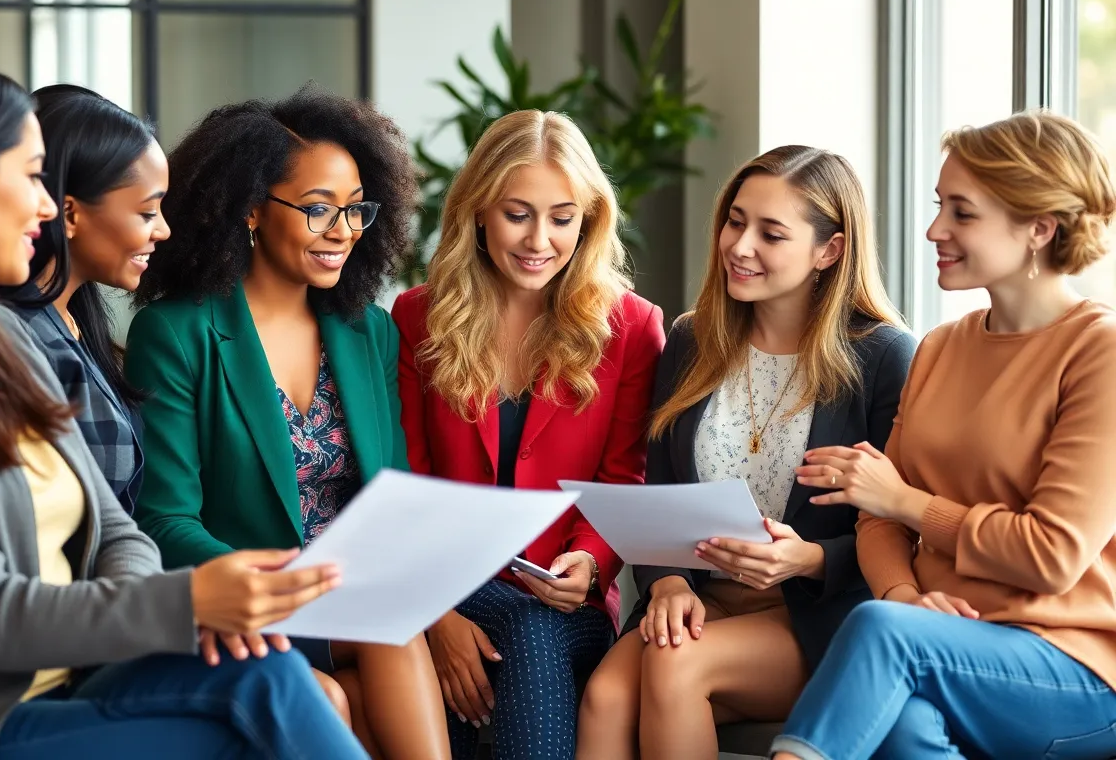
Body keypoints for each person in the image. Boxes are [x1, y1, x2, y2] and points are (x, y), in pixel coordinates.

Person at [0, 53, 367, 760]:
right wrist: (186, 603)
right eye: (31, 175)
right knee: (250, 730)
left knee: (266, 674)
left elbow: (117, 528)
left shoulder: (2, 335)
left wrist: (161, 614)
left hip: (74, 674)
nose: (47, 205)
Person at [772, 112, 1116, 760]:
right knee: (901, 723)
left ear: (1038, 228)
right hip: (936, 648)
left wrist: (907, 503)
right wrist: (904, 596)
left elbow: (1053, 554)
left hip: (1073, 666)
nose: (935, 230)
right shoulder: (939, 347)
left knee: (879, 632)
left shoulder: (1099, 353)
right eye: (939, 207)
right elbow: (875, 520)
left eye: (962, 213)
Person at [126, 86, 450, 760]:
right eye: (317, 209)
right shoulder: (177, 333)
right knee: (359, 670)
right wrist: (288, 578)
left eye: (356, 209)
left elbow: (392, 495)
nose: (343, 230)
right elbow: (165, 518)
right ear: (249, 209)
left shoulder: (368, 333)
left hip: (355, 598)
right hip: (245, 598)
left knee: (376, 654)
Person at [577, 145, 914, 760]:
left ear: (829, 251)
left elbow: (901, 524)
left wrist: (808, 559)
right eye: (735, 221)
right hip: (703, 598)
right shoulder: (692, 338)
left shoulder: (885, 356)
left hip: (817, 613)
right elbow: (658, 487)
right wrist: (668, 581)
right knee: (605, 699)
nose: (740, 246)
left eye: (771, 233)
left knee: (675, 666)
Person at [393, 109, 665, 760]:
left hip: (564, 602)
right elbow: (406, 483)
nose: (539, 238)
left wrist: (591, 561)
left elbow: (623, 477)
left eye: (562, 217)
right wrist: (438, 616)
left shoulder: (631, 327)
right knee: (485, 657)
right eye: (518, 214)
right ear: (478, 210)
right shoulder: (417, 317)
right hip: (445, 585)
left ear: (588, 220)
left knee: (534, 628)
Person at [0, 84, 168, 514]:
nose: (163, 230)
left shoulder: (72, 322)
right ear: (68, 214)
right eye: (147, 212)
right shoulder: (16, 337)